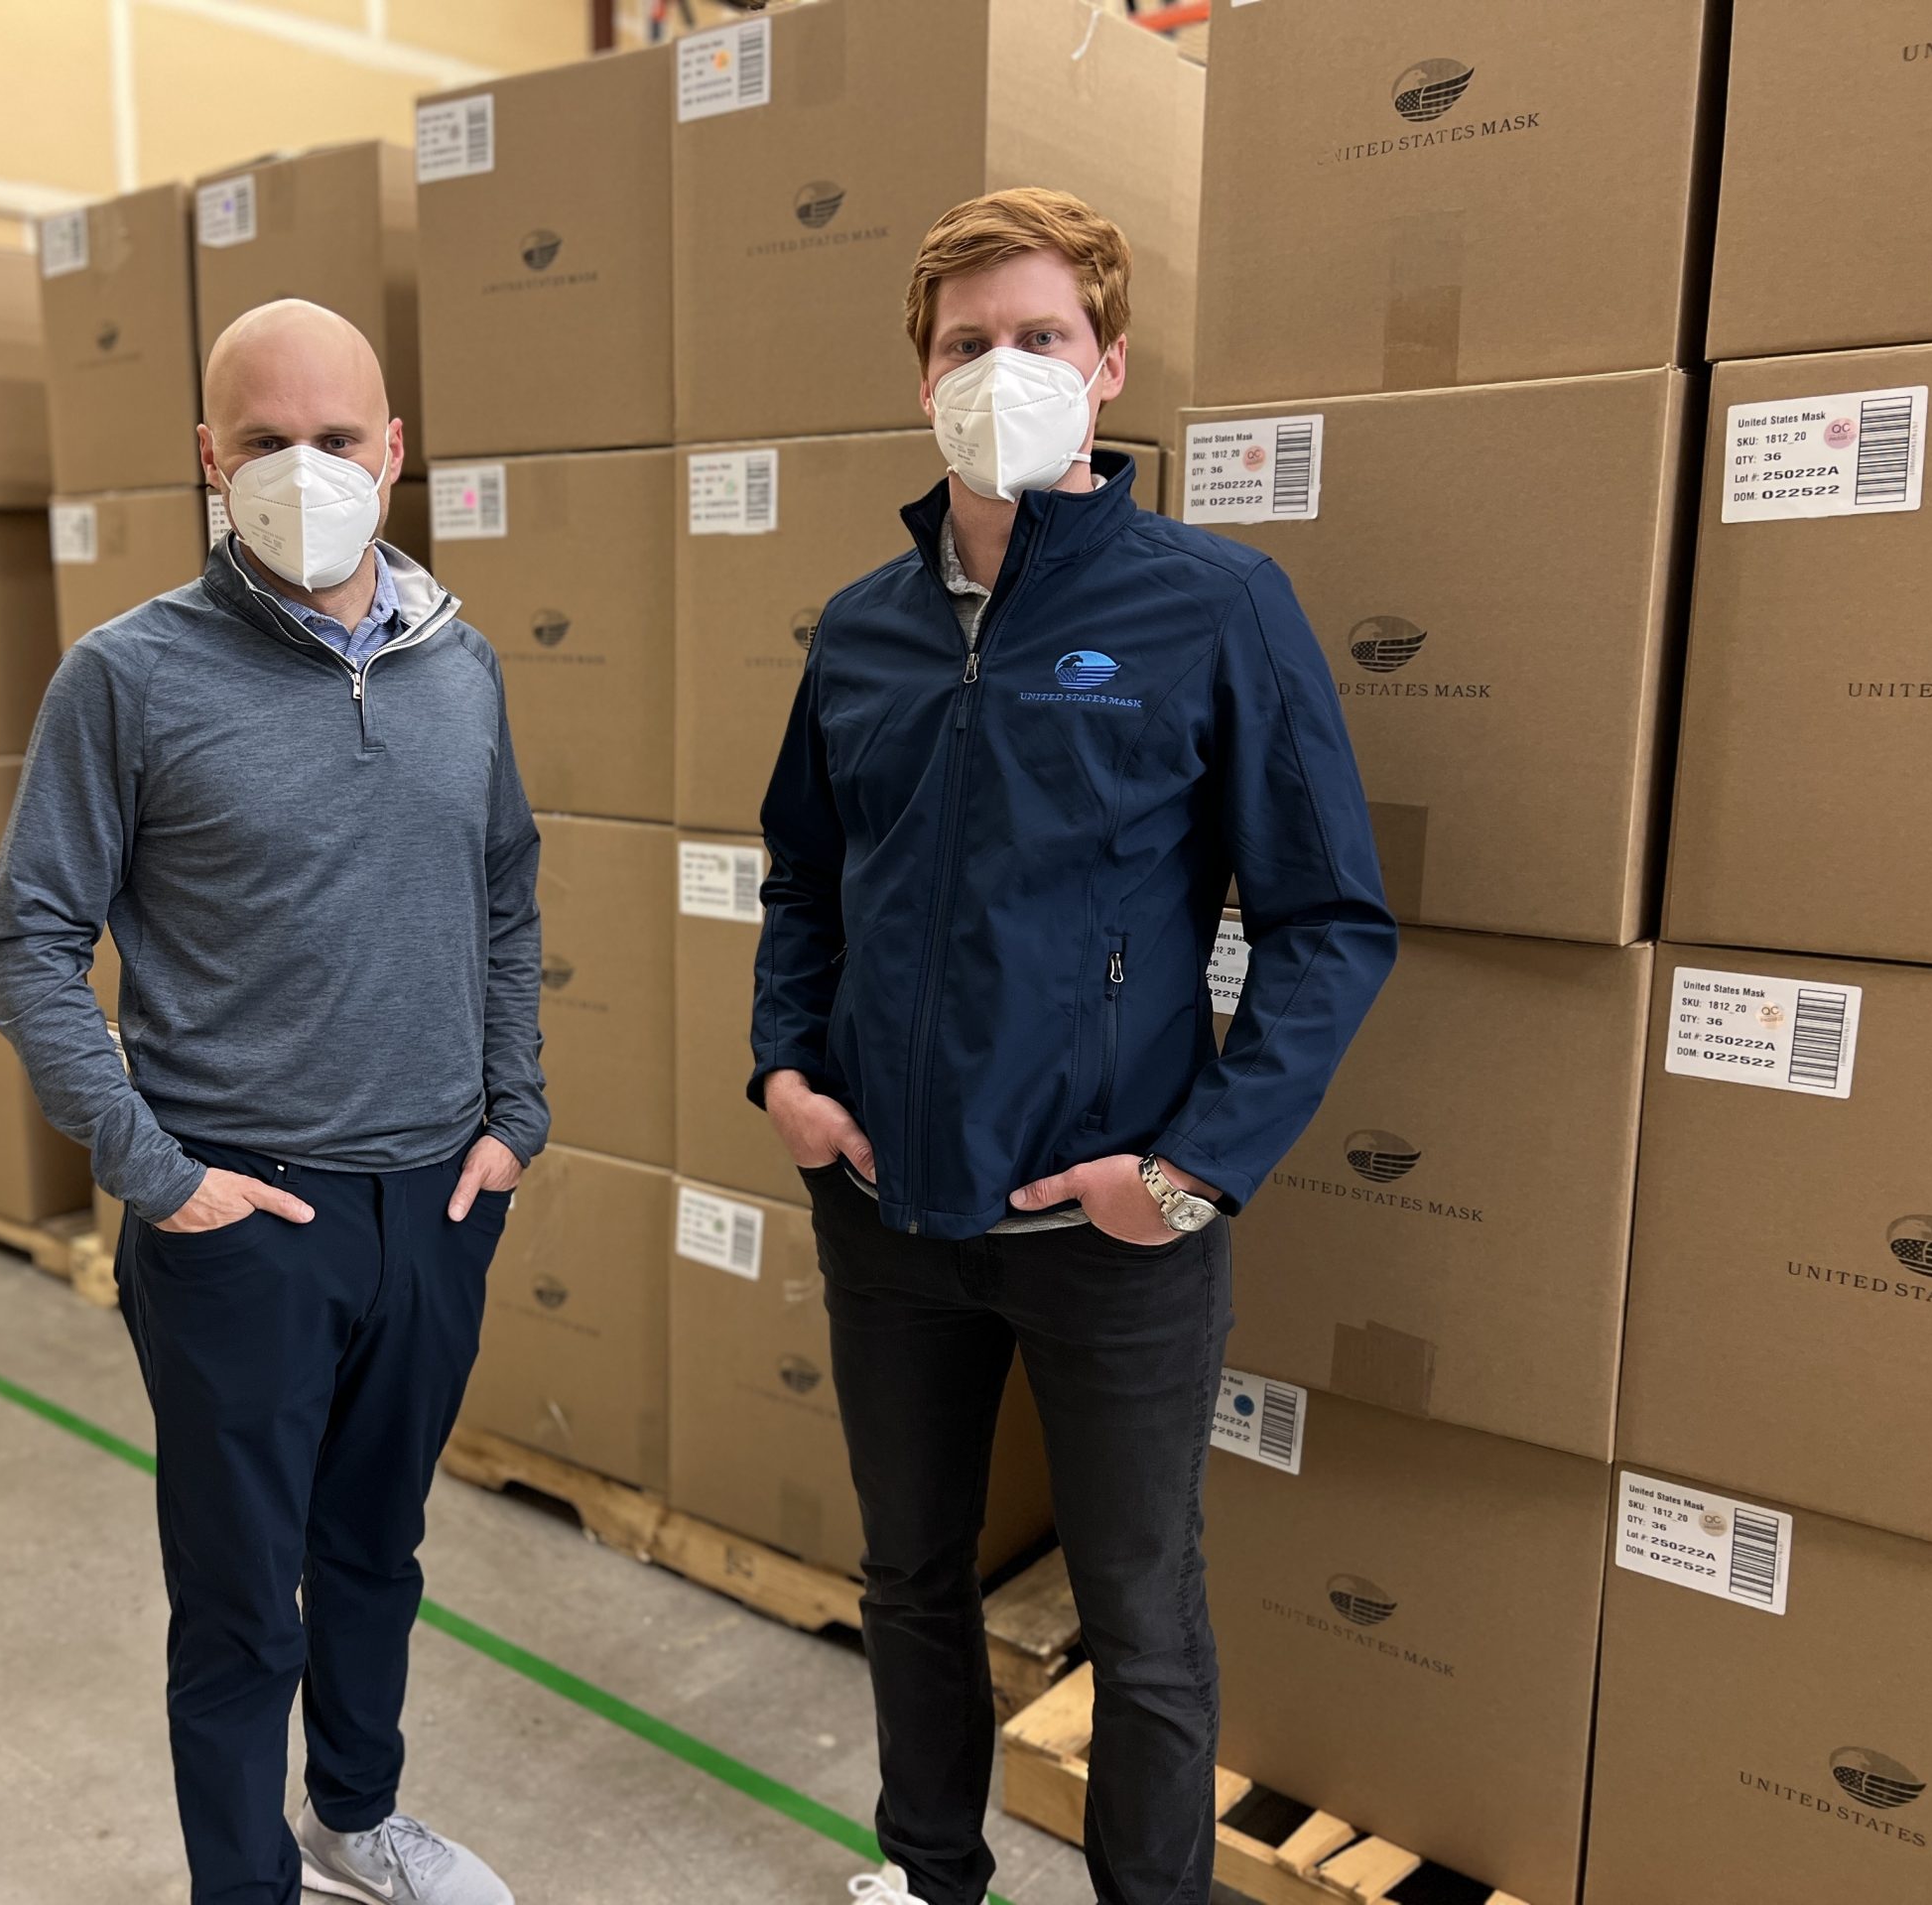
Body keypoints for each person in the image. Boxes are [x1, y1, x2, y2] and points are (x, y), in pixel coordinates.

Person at [750, 190, 1398, 1905]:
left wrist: (1190, 1176)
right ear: (922, 380)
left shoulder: (1215, 605)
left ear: (1107, 365)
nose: (1003, 369)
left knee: (1141, 1615)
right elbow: (809, 878)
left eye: (1040, 337)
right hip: (889, 1214)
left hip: (1113, 1234)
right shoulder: (862, 630)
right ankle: (931, 1873)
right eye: (968, 343)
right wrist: (788, 1078)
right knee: (909, 1580)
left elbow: (1333, 920)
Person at [0, 300, 542, 1905]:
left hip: (434, 1202)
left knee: (377, 1555)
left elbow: (505, 891)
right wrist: (159, 1171)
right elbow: (26, 941)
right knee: (239, 1603)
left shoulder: (461, 666)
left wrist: (515, 1113)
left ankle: (355, 1818)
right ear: (210, 460)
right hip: (245, 1218)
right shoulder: (129, 677)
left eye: (340, 438)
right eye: (270, 442)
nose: (311, 470)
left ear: (396, 451)